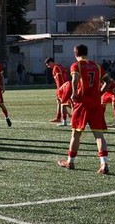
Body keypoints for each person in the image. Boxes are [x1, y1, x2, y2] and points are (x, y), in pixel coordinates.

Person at [58, 44, 110, 174]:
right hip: (96, 103)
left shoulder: (77, 65)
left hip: (82, 104)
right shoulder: (97, 66)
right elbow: (108, 81)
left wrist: (74, 93)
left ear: (75, 54)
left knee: (76, 134)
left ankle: (70, 162)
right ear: (87, 53)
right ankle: (103, 163)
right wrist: (99, 93)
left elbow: (75, 79)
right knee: (99, 135)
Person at [45, 57, 71, 126]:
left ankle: (77, 114)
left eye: (48, 65)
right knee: (60, 102)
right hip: (65, 86)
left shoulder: (56, 68)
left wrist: (60, 89)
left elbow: (60, 79)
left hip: (63, 87)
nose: (48, 66)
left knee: (65, 103)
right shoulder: (59, 66)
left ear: (51, 62)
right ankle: (59, 117)